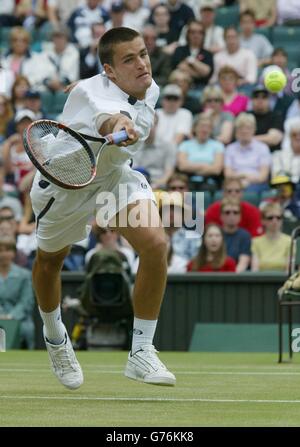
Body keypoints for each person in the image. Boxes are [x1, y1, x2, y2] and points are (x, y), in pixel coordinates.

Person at [30, 27, 176, 389]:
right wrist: (119, 123)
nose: (142, 64)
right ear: (111, 70)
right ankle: (55, 336)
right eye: (130, 59)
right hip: (65, 185)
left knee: (156, 245)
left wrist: (98, 84)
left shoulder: (148, 86)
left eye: (142, 53)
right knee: (49, 263)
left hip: (111, 176)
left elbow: (116, 93)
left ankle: (141, 351)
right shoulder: (96, 95)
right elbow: (108, 116)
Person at [0, 235, 35, 349]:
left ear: (14, 253)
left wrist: (11, 316)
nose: (3, 254)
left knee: (27, 329)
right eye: (0, 250)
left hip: (19, 318)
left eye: (8, 250)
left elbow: (26, 301)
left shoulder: (24, 275)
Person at [224, 113, 271, 193]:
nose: (244, 131)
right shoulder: (230, 149)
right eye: (241, 128)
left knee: (248, 193)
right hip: (232, 184)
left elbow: (263, 177)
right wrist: (243, 177)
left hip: (255, 184)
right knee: (202, 192)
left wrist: (244, 178)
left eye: (248, 128)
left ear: (254, 130)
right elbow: (227, 175)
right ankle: (199, 205)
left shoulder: (262, 148)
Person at [251, 202, 291, 272]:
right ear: (262, 220)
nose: (274, 221)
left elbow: (289, 269)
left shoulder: (290, 241)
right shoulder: (255, 242)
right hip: (261, 281)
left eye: (278, 217)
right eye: (270, 218)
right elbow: (255, 269)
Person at [249, 84, 284, 153]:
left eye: (264, 97)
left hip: (270, 154)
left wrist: (248, 139)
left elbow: (273, 139)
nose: (260, 100)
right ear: (251, 100)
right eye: (256, 97)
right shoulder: (245, 115)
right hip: (247, 153)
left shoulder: (276, 116)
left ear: (269, 100)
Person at [220, 197, 251, 272]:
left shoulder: (245, 236)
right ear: (221, 216)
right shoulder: (215, 234)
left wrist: (230, 279)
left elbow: (243, 263)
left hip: (235, 277)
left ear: (240, 216)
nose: (231, 215)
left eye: (235, 212)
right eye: (227, 212)